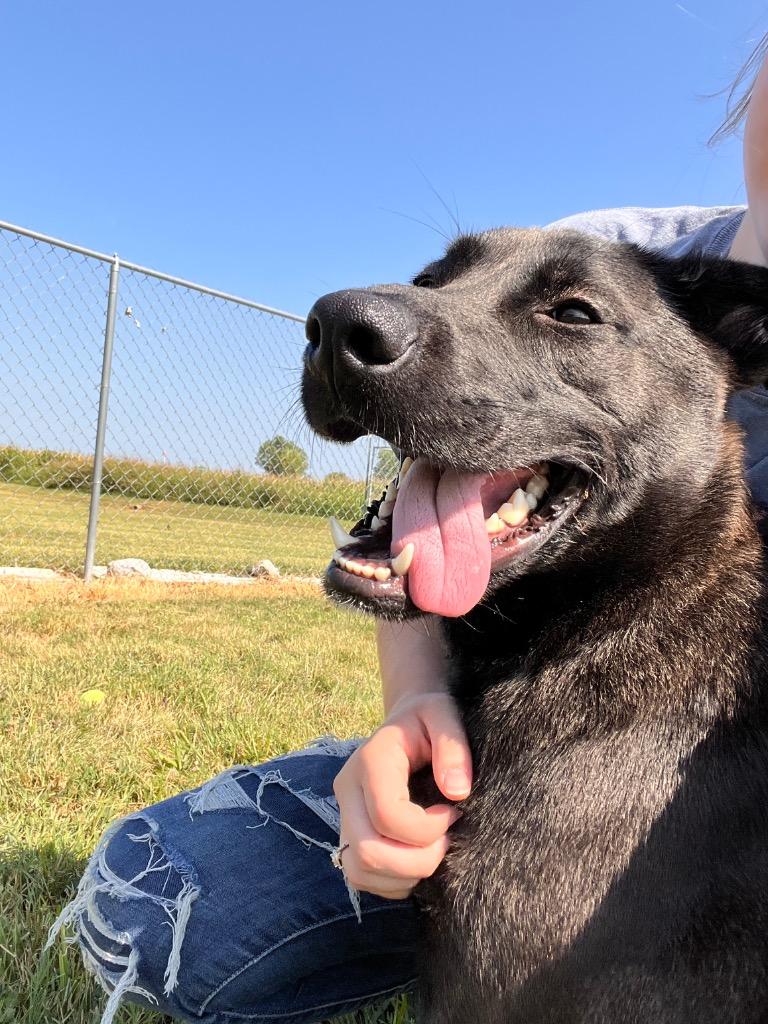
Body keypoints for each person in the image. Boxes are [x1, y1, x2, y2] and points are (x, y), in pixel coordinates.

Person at [49, 34, 768, 1024]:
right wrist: (415, 697)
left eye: (567, 313)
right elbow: (450, 481)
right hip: (505, 704)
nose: (403, 309)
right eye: (443, 277)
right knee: (174, 897)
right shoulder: (625, 248)